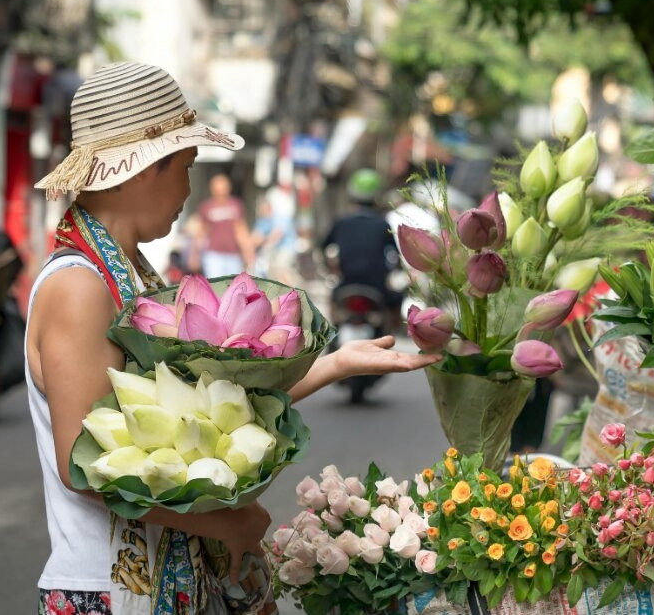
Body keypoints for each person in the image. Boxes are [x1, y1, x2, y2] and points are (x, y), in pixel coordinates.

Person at [27, 62, 437, 615]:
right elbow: (85, 467)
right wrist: (230, 521)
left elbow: (204, 424)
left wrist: (337, 365)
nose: (189, 188)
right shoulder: (79, 285)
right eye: (186, 167)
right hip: (112, 589)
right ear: (146, 167)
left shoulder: (131, 275)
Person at [321, 169, 402, 314]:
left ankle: (332, 334)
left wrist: (332, 269)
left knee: (332, 306)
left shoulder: (341, 223)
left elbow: (323, 247)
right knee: (397, 300)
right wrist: (392, 271)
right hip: (377, 287)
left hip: (346, 283)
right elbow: (395, 255)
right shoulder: (382, 225)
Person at [190, 174, 255, 278]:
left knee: (232, 288)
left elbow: (241, 230)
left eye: (223, 189)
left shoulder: (236, 205)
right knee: (216, 288)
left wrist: (248, 252)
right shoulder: (207, 207)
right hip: (213, 255)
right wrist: (194, 254)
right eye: (217, 189)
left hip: (233, 255)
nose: (220, 192)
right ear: (212, 189)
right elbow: (201, 231)